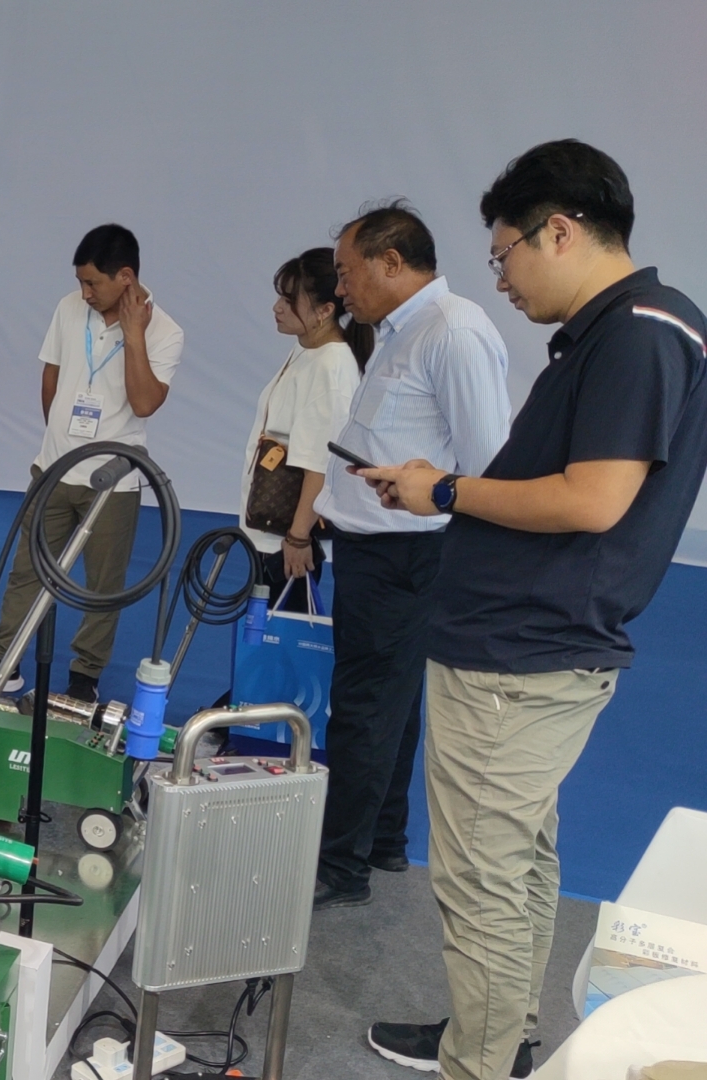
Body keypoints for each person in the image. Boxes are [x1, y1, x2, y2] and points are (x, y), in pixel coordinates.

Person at [361, 141, 707, 1080]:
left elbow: (592, 500)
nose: (502, 279)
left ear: (558, 230)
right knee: (514, 862)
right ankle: (499, 1036)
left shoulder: (637, 333)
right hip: (530, 646)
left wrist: (444, 491)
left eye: (504, 254)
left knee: (481, 879)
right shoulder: (635, 329)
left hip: (520, 653)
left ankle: (481, 1060)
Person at [312, 202, 512, 912]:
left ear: (391, 262)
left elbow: (488, 462)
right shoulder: (402, 331)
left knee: (364, 707)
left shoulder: (453, 331)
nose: (341, 290)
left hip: (405, 555)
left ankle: (340, 865)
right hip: (375, 549)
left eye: (347, 273)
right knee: (387, 703)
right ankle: (382, 840)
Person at [0, 224, 184, 701]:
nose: (85, 293)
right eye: (80, 282)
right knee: (27, 569)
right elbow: (50, 377)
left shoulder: (166, 331)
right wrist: (59, 439)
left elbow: (144, 403)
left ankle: (85, 675)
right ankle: (5, 660)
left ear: (126, 277)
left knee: (103, 585)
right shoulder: (68, 308)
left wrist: (134, 336)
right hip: (53, 467)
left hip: (112, 481)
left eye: (92, 283)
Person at [237, 248, 369, 607]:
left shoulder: (331, 367)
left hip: (287, 535)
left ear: (325, 311)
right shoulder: (309, 350)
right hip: (272, 527)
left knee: (280, 631)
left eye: (289, 300)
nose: (277, 307)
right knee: (264, 628)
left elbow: (321, 465)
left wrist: (297, 538)